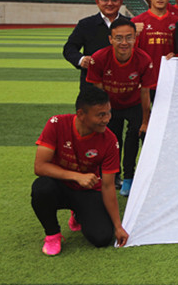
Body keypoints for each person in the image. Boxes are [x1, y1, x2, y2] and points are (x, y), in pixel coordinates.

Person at [31, 86, 129, 255]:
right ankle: (52, 234)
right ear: (81, 114)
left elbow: (108, 186)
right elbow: (40, 166)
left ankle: (78, 214)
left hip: (87, 191)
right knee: (41, 188)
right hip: (59, 187)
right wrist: (77, 176)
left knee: (102, 238)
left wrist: (118, 226)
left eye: (108, 113)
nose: (106, 119)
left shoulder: (110, 140)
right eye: (100, 115)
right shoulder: (56, 123)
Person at [86, 19, 154, 197]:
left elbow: (145, 93)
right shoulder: (99, 58)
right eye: (119, 38)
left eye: (129, 38)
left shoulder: (144, 59)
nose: (124, 42)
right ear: (110, 39)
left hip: (134, 104)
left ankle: (129, 178)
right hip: (110, 105)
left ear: (135, 38)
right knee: (112, 140)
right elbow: (98, 92)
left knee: (133, 138)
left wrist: (145, 121)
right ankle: (112, 176)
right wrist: (103, 115)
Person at [63, 0, 126, 88]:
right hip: (92, 84)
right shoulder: (85, 24)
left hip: (124, 84)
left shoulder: (131, 24)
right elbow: (69, 48)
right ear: (97, 2)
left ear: (121, 2)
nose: (110, 3)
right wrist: (81, 59)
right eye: (105, 0)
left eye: (114, 0)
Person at [131, 0, 178, 93]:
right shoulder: (136, 22)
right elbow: (129, 52)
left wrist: (176, 55)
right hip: (143, 82)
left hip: (168, 82)